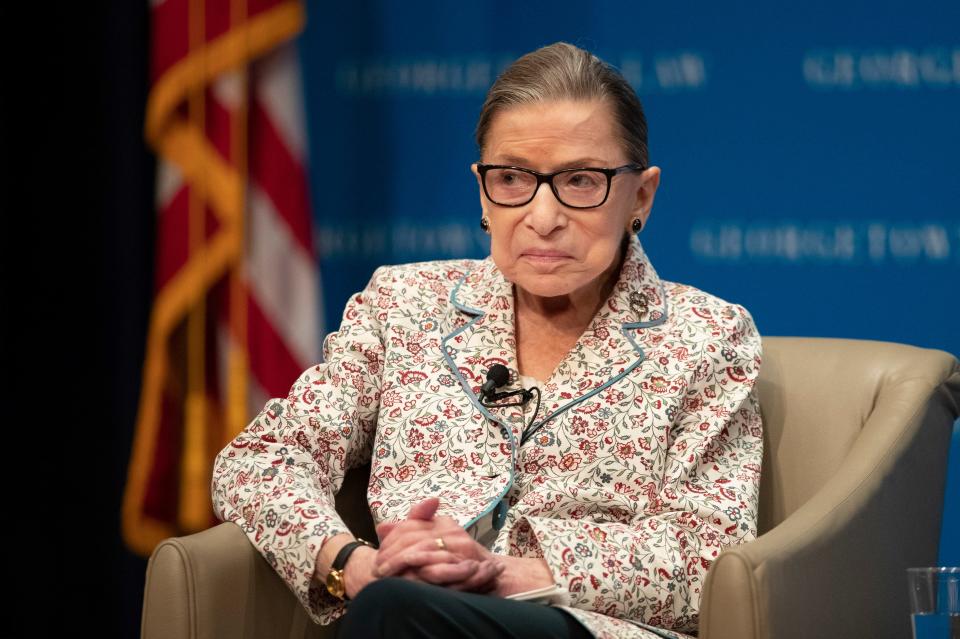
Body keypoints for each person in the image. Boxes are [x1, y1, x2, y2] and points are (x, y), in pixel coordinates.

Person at [212, 42, 763, 639]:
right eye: (512, 178)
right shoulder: (404, 304)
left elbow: (709, 558)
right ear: (482, 190)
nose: (543, 215)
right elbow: (259, 459)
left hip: (584, 627)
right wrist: (355, 566)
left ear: (642, 196)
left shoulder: (707, 336)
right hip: (393, 612)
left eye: (580, 181)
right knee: (394, 612)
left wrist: (501, 575)